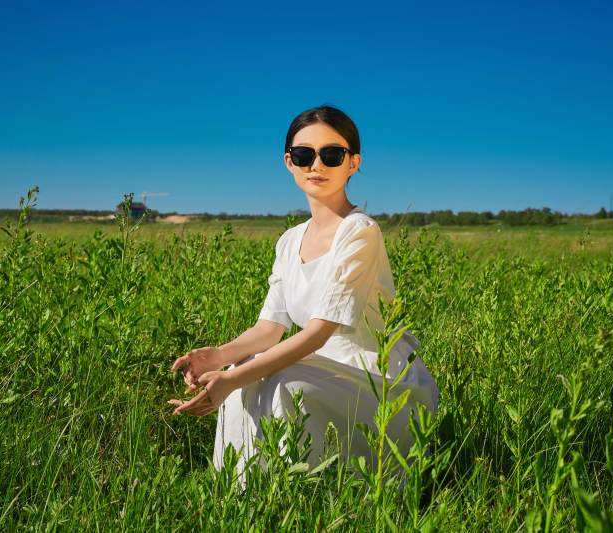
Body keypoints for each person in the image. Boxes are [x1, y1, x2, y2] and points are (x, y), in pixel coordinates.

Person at [169, 105, 439, 474]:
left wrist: (230, 380)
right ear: (289, 162)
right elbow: (269, 329)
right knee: (244, 366)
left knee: (278, 382)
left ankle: (304, 497)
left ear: (353, 163)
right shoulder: (289, 240)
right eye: (304, 155)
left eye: (332, 155)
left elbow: (317, 335)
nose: (317, 165)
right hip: (324, 368)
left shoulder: (360, 232)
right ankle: (240, 499)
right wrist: (218, 357)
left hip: (380, 382)